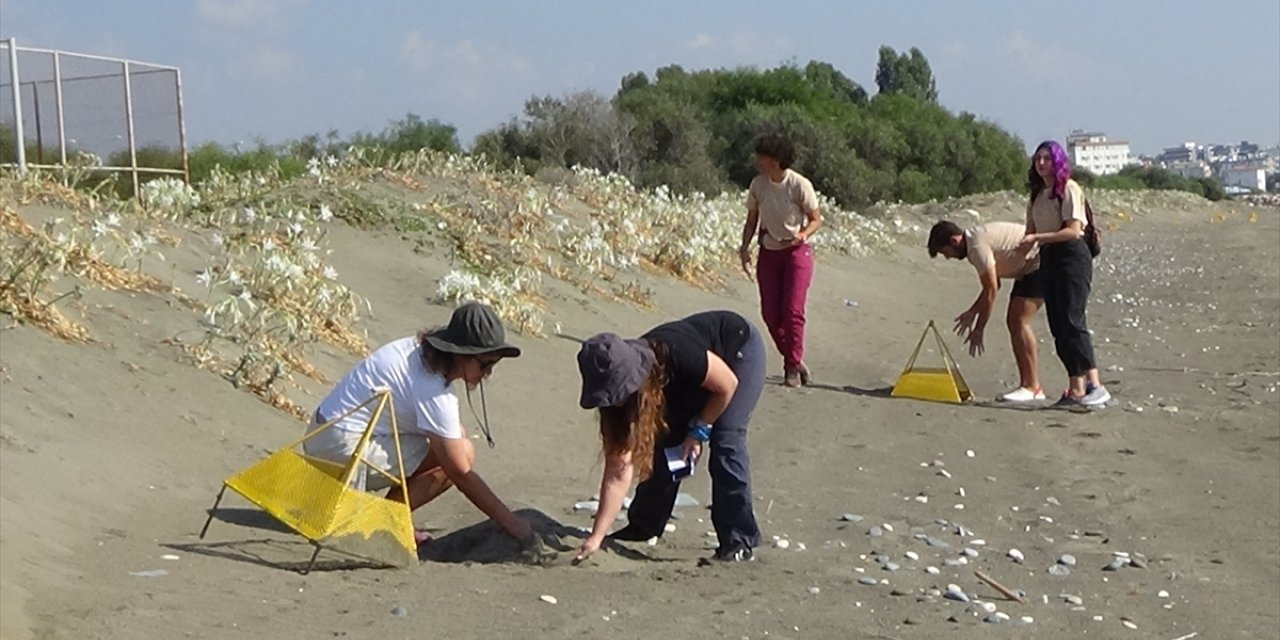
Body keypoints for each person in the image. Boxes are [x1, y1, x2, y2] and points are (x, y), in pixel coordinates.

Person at [303, 301, 536, 547]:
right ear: (461, 354)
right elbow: (460, 473)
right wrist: (514, 525)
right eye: (485, 364)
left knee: (455, 436)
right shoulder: (433, 389)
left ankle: (391, 516)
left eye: (494, 365)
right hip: (339, 450)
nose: (488, 373)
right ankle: (384, 520)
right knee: (460, 455)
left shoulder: (415, 351)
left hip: (321, 434)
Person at [573, 310, 765, 563]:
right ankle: (644, 526)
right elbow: (618, 470)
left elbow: (727, 385)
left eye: (618, 393)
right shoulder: (617, 396)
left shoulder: (677, 352)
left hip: (737, 350)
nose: (615, 402)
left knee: (727, 439)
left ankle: (738, 540)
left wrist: (699, 429)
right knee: (665, 442)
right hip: (689, 381)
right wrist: (597, 536)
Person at [1018, 141, 1111, 407]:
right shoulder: (1037, 196)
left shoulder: (1068, 189)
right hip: (1049, 256)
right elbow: (1029, 232)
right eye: (1038, 158)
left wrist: (1038, 237)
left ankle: (1095, 384)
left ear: (1057, 161)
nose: (1042, 163)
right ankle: (1076, 387)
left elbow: (1073, 230)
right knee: (1058, 324)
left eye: (1047, 158)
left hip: (1072, 255)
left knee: (1072, 319)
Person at [927, 218, 1047, 402]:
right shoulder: (975, 241)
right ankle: (1030, 385)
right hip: (1031, 265)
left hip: (1040, 262)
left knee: (1019, 321)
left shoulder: (976, 248)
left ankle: (1032, 387)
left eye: (945, 252)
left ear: (954, 241)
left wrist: (979, 329)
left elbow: (991, 290)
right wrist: (972, 312)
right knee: (1016, 322)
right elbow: (994, 285)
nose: (948, 257)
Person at [739, 135, 823, 387]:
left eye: (762, 156)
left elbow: (816, 218)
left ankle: (792, 367)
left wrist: (803, 234)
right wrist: (744, 247)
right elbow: (752, 219)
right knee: (770, 314)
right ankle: (795, 358)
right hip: (769, 250)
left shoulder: (799, 185)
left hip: (797, 253)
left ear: (774, 159)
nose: (758, 160)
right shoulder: (758, 185)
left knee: (793, 311)